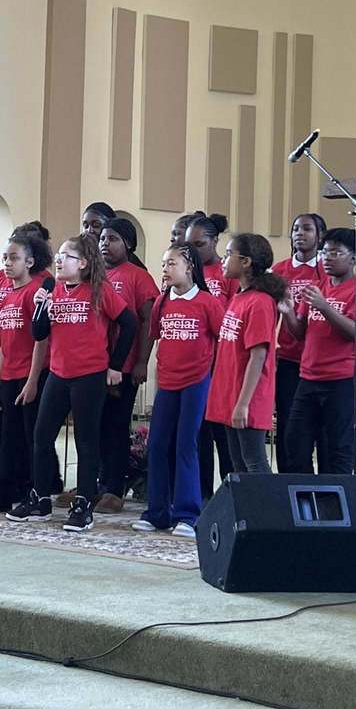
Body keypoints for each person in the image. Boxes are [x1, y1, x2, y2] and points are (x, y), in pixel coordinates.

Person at [6, 233, 136, 532]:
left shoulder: (99, 291)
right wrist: (41, 305)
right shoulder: (52, 290)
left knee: (86, 441)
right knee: (41, 435)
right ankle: (39, 499)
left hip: (89, 374)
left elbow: (128, 323)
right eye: (59, 256)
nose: (60, 261)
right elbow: (39, 334)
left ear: (85, 263)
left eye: (68, 256)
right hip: (58, 373)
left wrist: (116, 365)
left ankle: (83, 503)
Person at [131, 243, 225, 536]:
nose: (165, 269)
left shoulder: (208, 304)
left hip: (196, 383)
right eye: (163, 264)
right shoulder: (162, 302)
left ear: (190, 267)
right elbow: (160, 341)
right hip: (167, 386)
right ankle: (157, 511)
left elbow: (222, 344)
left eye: (172, 263)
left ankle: (187, 513)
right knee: (157, 445)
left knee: (186, 445)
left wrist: (215, 382)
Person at [280, 228, 356, 474]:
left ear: (353, 258)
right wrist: (288, 311)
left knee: (337, 448)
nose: (327, 257)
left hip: (343, 379)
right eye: (324, 252)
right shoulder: (316, 285)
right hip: (309, 377)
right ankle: (304, 505)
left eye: (336, 252)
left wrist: (324, 306)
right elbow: (300, 332)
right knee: (295, 443)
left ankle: (334, 506)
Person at [0, 221, 52, 493]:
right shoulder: (8, 295)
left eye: (14, 258)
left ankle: (34, 488)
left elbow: (41, 341)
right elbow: (4, 344)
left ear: (30, 261)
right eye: (4, 257)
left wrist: (32, 381)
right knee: (8, 435)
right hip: (5, 375)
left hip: (30, 374)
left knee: (30, 436)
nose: (7, 263)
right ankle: (6, 486)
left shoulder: (34, 292)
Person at [205, 234, 286, 474]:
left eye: (229, 254)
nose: (223, 259)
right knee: (238, 465)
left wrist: (243, 404)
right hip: (231, 394)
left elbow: (258, 356)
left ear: (246, 262)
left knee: (254, 463)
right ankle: (247, 512)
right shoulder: (240, 297)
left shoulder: (260, 302)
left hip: (248, 398)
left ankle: (271, 512)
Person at [97, 217, 159, 511]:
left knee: (116, 425)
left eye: (113, 239)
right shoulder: (94, 275)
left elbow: (148, 321)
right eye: (102, 239)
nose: (105, 244)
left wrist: (142, 362)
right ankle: (96, 483)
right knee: (95, 425)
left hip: (124, 363)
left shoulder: (138, 277)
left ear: (129, 244)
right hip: (93, 362)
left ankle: (114, 487)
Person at [185, 213, 237, 498]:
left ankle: (231, 497)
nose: (193, 251)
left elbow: (231, 318)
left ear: (215, 241)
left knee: (224, 437)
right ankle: (202, 495)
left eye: (199, 244)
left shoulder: (226, 274)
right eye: (188, 245)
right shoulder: (186, 274)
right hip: (194, 366)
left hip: (222, 365)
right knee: (199, 435)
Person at [271, 214, 327, 473]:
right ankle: (288, 484)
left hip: (322, 363)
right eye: (295, 228)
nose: (299, 233)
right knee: (288, 425)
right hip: (289, 360)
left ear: (320, 235)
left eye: (306, 228)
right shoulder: (280, 270)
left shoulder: (328, 271)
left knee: (320, 428)